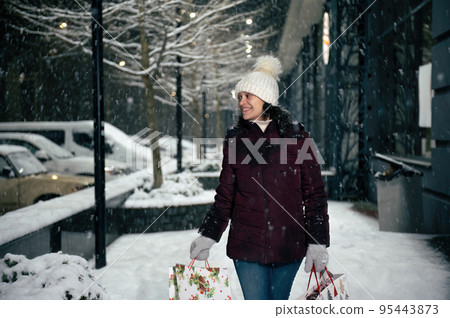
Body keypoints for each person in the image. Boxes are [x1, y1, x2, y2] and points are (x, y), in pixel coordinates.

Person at [190, 55, 329, 300]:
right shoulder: (235, 140)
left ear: (266, 99)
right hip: (247, 247)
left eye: (248, 96)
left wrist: (317, 241)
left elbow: (314, 194)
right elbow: (225, 195)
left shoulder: (297, 137)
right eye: (240, 97)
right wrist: (208, 234)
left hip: (289, 243)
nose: (242, 102)